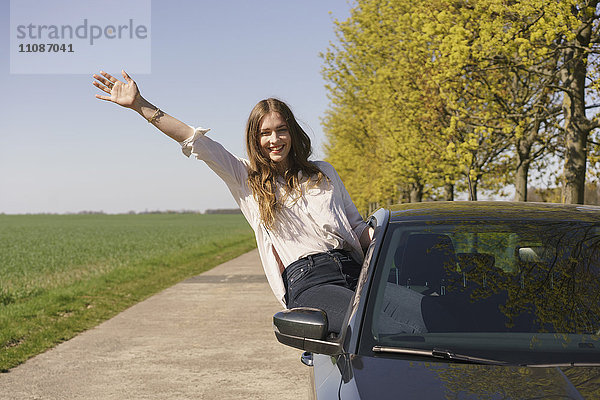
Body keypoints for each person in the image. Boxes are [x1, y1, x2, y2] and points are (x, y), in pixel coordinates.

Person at [92, 70, 373, 334]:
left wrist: (384, 233)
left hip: (355, 270)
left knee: (410, 311)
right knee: (365, 322)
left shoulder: (324, 172)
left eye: (281, 129)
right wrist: (140, 104)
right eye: (265, 133)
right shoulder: (245, 178)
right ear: (255, 138)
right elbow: (193, 140)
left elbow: (357, 228)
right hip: (311, 280)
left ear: (292, 132)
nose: (274, 139)